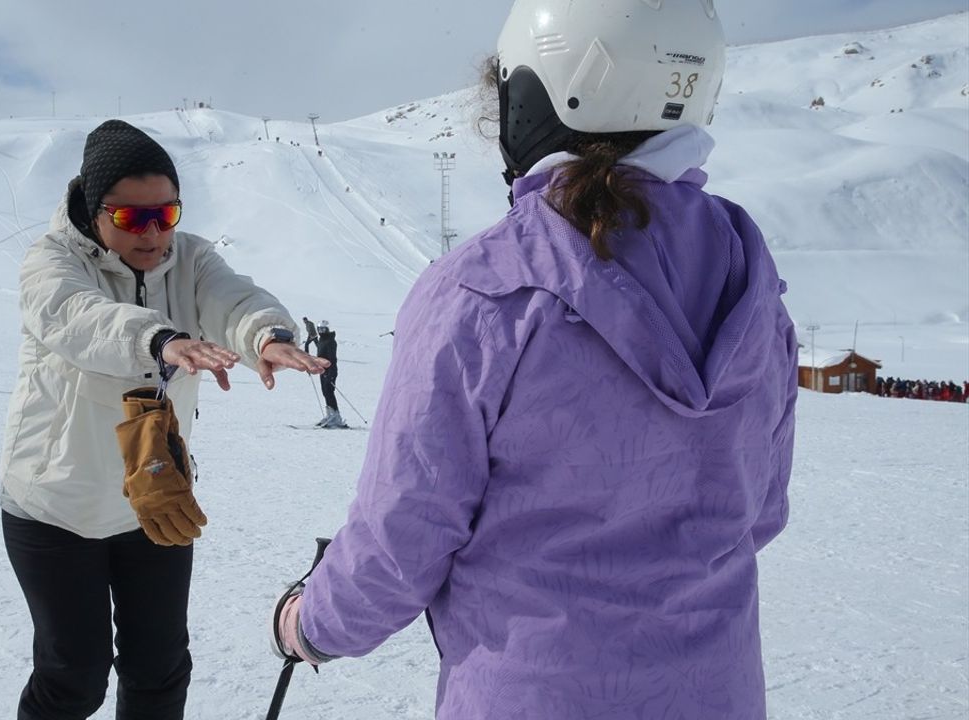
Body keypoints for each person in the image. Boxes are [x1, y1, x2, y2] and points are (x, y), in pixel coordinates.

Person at [269, 2, 799, 718]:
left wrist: (309, 624)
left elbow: (404, 538)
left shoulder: (487, 290)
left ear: (539, 93)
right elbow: (758, 512)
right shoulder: (754, 291)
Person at [0, 119, 329, 720]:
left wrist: (266, 335)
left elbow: (234, 299)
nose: (153, 234)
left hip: (152, 502)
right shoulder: (51, 261)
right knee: (72, 676)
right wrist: (160, 340)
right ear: (94, 212)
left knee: (160, 669)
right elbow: (77, 318)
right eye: (131, 219)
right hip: (54, 508)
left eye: (165, 214)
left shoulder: (191, 258)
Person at [314, 320, 345, 428]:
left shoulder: (331, 341)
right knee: (325, 392)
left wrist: (330, 372)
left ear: (327, 329)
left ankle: (336, 416)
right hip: (323, 370)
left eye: (323, 329)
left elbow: (332, 358)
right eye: (319, 329)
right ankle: (330, 414)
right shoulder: (322, 340)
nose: (321, 331)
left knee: (329, 392)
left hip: (330, 370)